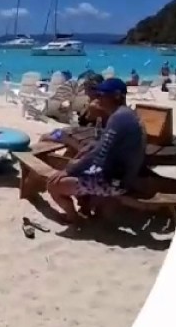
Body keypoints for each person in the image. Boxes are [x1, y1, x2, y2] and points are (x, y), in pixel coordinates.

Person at [45, 78, 147, 223]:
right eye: (97, 94)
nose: (97, 99)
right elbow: (105, 146)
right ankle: (85, 207)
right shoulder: (127, 114)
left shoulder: (119, 118)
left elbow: (98, 154)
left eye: (101, 95)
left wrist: (70, 170)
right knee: (75, 161)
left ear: (117, 96)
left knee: (53, 185)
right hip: (122, 176)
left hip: (114, 182)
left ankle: (73, 217)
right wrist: (94, 145)